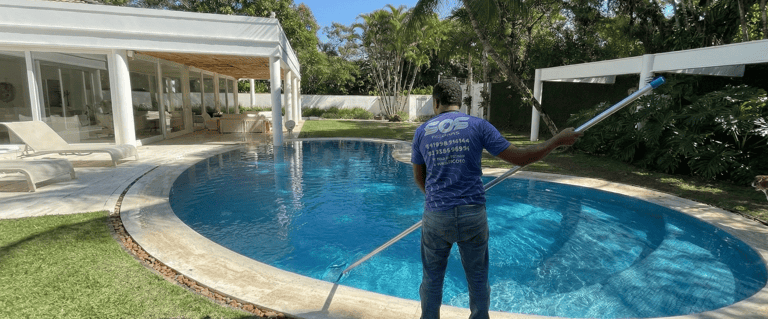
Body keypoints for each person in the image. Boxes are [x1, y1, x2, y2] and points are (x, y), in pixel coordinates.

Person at [411, 80, 582, 319]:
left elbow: (419, 178)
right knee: (478, 278)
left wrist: (436, 200)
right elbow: (520, 158)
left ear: (435, 102)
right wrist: (556, 141)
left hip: (437, 216)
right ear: (459, 102)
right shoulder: (478, 126)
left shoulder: (422, 132)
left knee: (431, 279)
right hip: (472, 215)